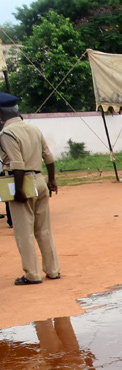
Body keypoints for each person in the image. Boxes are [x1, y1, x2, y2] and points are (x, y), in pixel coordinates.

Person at [0, 93, 60, 286]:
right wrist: (52, 180)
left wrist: (18, 191)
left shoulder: (7, 134)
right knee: (44, 230)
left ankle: (32, 274)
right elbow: (49, 158)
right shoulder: (33, 128)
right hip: (40, 179)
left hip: (22, 182)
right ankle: (53, 270)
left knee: (24, 231)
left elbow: (17, 164)